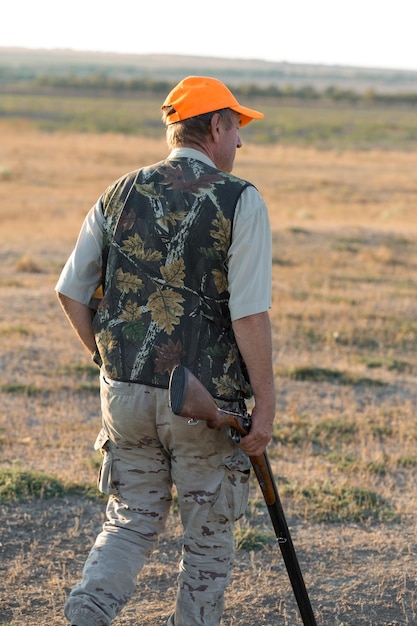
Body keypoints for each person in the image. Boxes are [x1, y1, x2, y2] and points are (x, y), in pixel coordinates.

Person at [56, 75, 276, 626]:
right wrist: (267, 405)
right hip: (204, 404)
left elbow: (70, 291)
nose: (241, 144)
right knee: (205, 542)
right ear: (217, 126)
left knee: (129, 522)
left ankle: (86, 614)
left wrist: (108, 361)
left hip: (124, 397)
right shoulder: (239, 199)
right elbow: (249, 313)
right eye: (237, 128)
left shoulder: (118, 191)